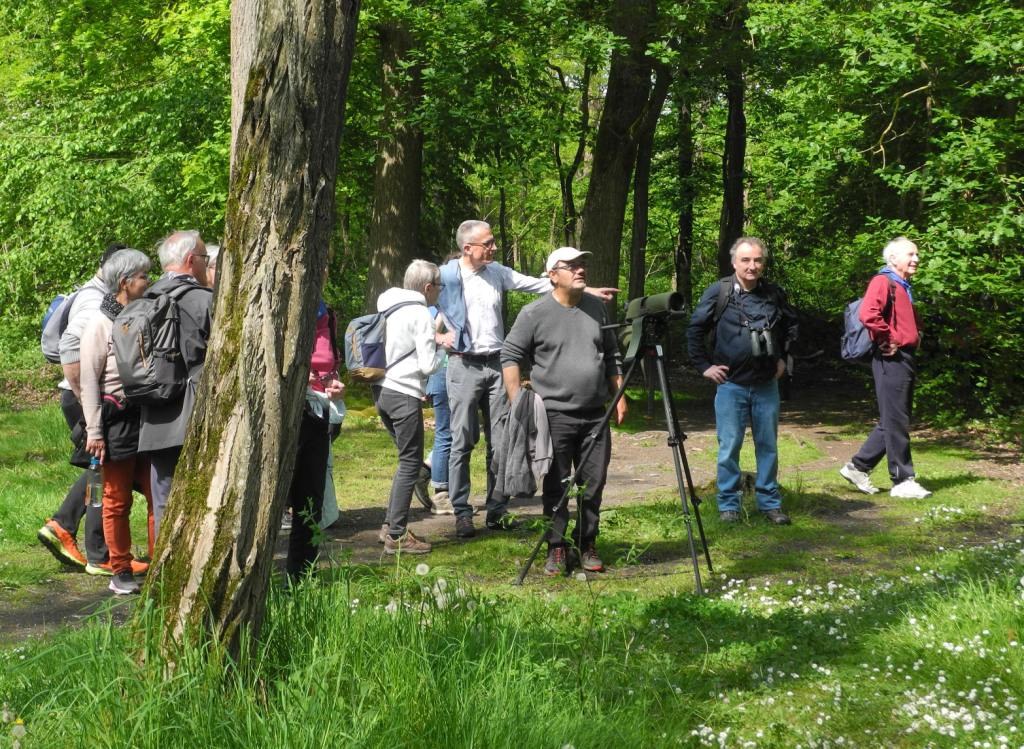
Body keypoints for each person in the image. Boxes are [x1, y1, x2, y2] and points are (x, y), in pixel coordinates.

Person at [437, 220, 617, 538]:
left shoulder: (498, 273)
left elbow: (540, 284)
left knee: (502, 441)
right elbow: (419, 304)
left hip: (497, 365)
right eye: (487, 243)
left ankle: (496, 510)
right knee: (462, 442)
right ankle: (462, 511)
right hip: (462, 365)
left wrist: (585, 290)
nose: (494, 247)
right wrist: (437, 337)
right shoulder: (446, 276)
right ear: (468, 248)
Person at [501, 247, 625, 575]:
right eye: (571, 266)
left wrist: (620, 393)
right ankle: (556, 547)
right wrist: (518, 402)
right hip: (553, 414)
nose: (580, 270)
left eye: (582, 264)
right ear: (553, 275)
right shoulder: (534, 313)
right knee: (556, 484)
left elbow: (611, 353)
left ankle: (587, 543)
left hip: (596, 413)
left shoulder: (597, 308)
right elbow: (510, 354)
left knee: (593, 483)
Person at [686, 236, 798, 525]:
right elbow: (695, 330)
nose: (752, 266)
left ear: (764, 263)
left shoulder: (774, 294)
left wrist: (785, 358)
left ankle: (770, 503)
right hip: (731, 385)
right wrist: (704, 366)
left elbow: (790, 328)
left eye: (758, 260)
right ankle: (729, 506)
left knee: (768, 446)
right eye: (746, 260)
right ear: (734, 262)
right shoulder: (719, 292)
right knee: (729, 446)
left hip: (766, 385)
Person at [37, 244, 124, 571]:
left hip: (87, 396)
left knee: (100, 468)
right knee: (104, 469)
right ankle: (87, 544)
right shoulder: (92, 301)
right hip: (86, 397)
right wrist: (88, 401)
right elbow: (72, 347)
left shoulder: (97, 293)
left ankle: (72, 532)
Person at [79, 249, 155, 595]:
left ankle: (161, 562)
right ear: (125, 283)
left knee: (158, 493)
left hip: (148, 417)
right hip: (117, 421)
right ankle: (120, 569)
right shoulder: (99, 324)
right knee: (117, 498)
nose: (148, 281)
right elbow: (89, 382)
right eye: (143, 276)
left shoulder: (144, 316)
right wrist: (94, 431)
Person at [840, 237, 932, 499]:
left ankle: (857, 467)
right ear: (893, 258)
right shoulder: (884, 281)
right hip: (891, 358)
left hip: (904, 357)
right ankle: (903, 480)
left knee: (893, 418)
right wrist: (887, 338)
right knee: (896, 419)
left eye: (916, 254)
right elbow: (869, 313)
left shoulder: (902, 285)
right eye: (910, 254)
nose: (916, 259)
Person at [137, 231, 214, 537]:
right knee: (203, 496)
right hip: (198, 411)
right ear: (190, 261)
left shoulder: (144, 299)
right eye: (204, 258)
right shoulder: (205, 300)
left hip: (154, 411)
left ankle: (164, 573)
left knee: (163, 499)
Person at [375, 260, 447, 554]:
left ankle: (389, 526)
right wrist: (444, 346)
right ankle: (397, 535)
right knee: (411, 464)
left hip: (381, 391)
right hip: (404, 393)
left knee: (407, 461)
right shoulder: (419, 313)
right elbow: (429, 365)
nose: (440, 291)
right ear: (428, 288)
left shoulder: (387, 306)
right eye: (439, 286)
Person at [286, 300, 346, 580]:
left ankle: (300, 581)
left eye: (323, 265)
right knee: (281, 498)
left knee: (310, 502)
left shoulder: (326, 314)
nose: (321, 270)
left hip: (319, 411)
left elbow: (329, 363)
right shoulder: (286, 306)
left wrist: (333, 382)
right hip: (286, 412)